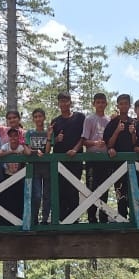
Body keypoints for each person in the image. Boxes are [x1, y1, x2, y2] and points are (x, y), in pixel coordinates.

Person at [50, 93, 85, 223]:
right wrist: (56, 139)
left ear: (70, 102)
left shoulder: (79, 117)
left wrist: (75, 150)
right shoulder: (55, 121)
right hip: (59, 160)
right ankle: (61, 219)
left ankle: (74, 219)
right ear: (58, 103)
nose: (63, 104)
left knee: (73, 188)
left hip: (75, 159)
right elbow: (50, 141)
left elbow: (84, 136)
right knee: (60, 188)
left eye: (66, 101)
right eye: (61, 101)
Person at [104, 94, 137, 219]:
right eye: (121, 103)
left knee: (132, 191)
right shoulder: (113, 122)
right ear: (117, 106)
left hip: (132, 164)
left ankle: (135, 218)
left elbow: (134, 143)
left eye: (126, 103)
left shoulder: (132, 122)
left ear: (129, 105)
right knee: (120, 192)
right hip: (117, 164)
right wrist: (117, 130)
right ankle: (122, 218)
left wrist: (132, 133)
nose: (124, 106)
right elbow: (109, 144)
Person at [81, 92, 112, 222]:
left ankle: (103, 215)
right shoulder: (89, 119)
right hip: (92, 158)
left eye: (102, 102)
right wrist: (95, 143)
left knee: (105, 188)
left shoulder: (109, 120)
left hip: (105, 159)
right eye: (97, 102)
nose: (100, 104)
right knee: (92, 187)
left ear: (106, 104)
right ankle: (92, 216)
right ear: (94, 104)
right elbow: (84, 140)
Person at [0, 126, 29, 223]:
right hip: (7, 176)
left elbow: (27, 153)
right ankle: (4, 223)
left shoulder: (21, 146)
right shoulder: (6, 146)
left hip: (19, 177)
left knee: (18, 200)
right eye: (11, 136)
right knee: (6, 200)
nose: (13, 138)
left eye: (15, 136)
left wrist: (23, 144)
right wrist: (11, 152)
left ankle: (18, 222)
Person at [26, 108, 51, 224]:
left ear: (44, 117)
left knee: (47, 195)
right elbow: (26, 149)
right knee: (36, 195)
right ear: (33, 119)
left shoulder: (48, 132)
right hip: (34, 168)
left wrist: (49, 136)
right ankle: (34, 219)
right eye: (35, 117)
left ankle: (45, 220)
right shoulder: (30, 133)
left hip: (47, 168)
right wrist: (35, 151)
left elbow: (47, 151)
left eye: (40, 116)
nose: (38, 119)